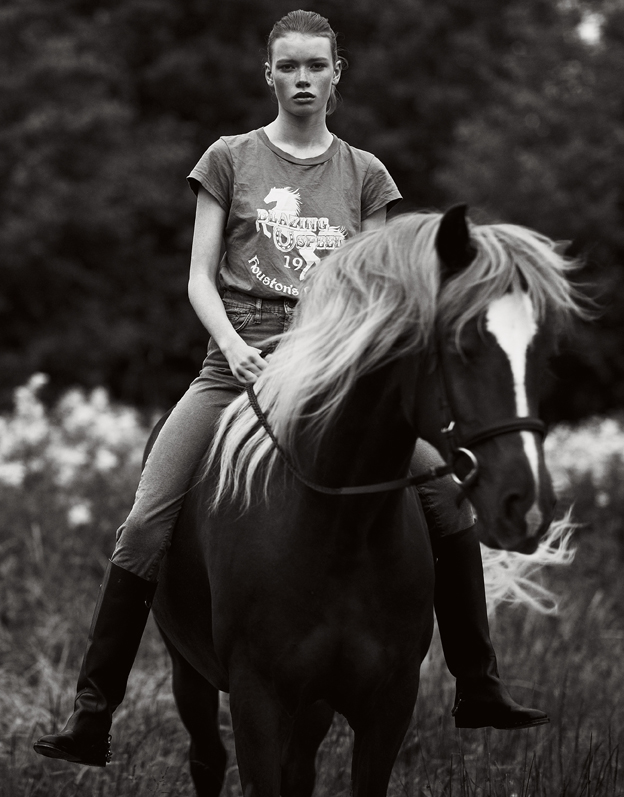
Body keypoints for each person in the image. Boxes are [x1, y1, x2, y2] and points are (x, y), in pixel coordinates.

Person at [33, 10, 548, 769]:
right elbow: (199, 277)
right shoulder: (229, 159)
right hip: (234, 367)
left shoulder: (366, 175)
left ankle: (478, 682)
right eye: (289, 66)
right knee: (144, 520)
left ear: (338, 75)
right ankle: (92, 711)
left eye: (316, 65)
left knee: (445, 496)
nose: (302, 78)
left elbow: (381, 293)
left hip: (332, 376)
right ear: (268, 75)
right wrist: (235, 348)